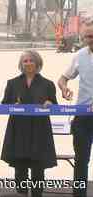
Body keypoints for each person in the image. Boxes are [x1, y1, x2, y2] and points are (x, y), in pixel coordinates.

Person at [1, 50, 58, 197]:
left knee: (38, 168)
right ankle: (22, 194)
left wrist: (49, 103)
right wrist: (13, 104)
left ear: (38, 63)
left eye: (31, 60)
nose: (28, 63)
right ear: (21, 64)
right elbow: (4, 104)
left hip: (40, 130)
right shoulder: (12, 83)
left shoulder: (48, 84)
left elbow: (55, 107)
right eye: (25, 61)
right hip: (18, 130)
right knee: (20, 168)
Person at [58, 23, 93, 197]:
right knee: (81, 161)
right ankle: (79, 194)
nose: (91, 40)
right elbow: (62, 79)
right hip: (83, 117)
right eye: (88, 37)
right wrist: (64, 89)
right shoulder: (79, 56)